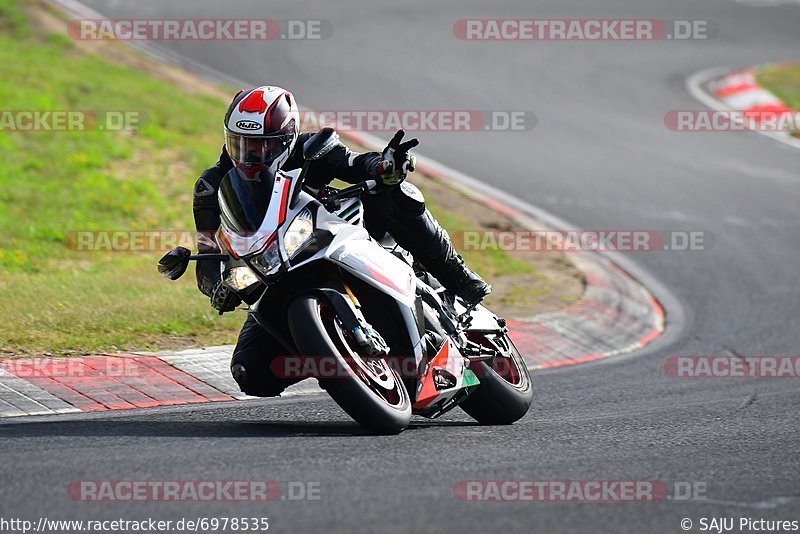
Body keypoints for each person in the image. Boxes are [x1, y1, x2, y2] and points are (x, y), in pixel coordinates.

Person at [192, 85, 490, 397]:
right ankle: (337, 356)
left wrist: (383, 166)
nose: (251, 154)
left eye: (263, 145)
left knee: (394, 192)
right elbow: (208, 253)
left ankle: (457, 276)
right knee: (250, 371)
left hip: (339, 234)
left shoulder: (312, 148)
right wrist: (218, 288)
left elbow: (353, 165)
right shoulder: (211, 188)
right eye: (241, 144)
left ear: (287, 137)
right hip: (275, 271)